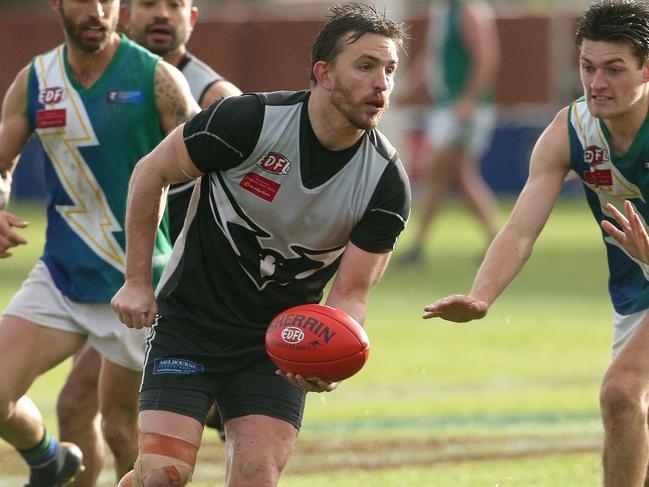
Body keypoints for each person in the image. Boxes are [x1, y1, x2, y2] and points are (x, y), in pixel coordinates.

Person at [110, 3, 410, 485]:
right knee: (161, 475)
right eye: (366, 66)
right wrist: (137, 281)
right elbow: (152, 173)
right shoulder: (247, 121)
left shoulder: (386, 183)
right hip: (190, 323)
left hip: (277, 346)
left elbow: (351, 294)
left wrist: (332, 351)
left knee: (257, 477)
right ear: (324, 74)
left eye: (390, 70)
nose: (382, 84)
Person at [423, 1, 649, 485]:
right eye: (588, 67)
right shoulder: (570, 132)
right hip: (638, 292)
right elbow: (521, 230)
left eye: (614, 69)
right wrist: (481, 296)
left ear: (647, 68)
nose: (596, 84)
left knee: (621, 391)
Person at [0, 0, 199, 485]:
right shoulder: (36, 79)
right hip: (62, 276)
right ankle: (48, 457)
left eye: (106, 0)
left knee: (121, 432)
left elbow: (211, 159)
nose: (94, 10)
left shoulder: (157, 79)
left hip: (139, 286)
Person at [54, 1, 241, 477]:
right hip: (116, 275)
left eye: (174, 5)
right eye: (149, 4)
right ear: (125, 14)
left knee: (110, 420)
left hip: (177, 289)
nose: (161, 14)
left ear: (192, 18)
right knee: (80, 407)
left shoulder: (216, 95)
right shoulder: (108, 76)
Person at [398, 0, 500, 264]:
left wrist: (468, 100)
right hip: (447, 107)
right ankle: (496, 241)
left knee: (438, 172)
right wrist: (408, 88)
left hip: (461, 108)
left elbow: (487, 57)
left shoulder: (470, 11)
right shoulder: (446, 11)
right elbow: (431, 56)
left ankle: (419, 245)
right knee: (457, 178)